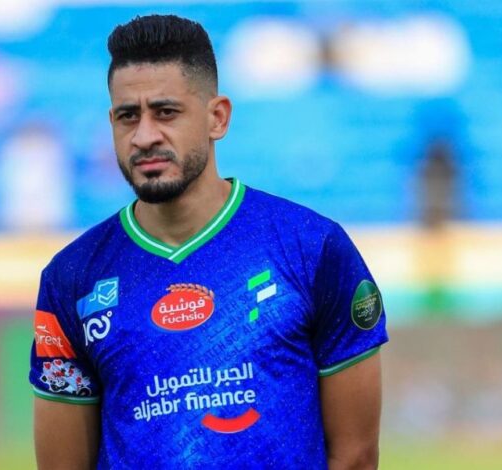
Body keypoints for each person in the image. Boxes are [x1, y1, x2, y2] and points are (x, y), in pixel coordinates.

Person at [30, 14, 388, 469]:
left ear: (217, 117)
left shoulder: (311, 248)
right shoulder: (73, 278)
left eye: (166, 112)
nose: (144, 136)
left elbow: (356, 456)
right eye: (127, 116)